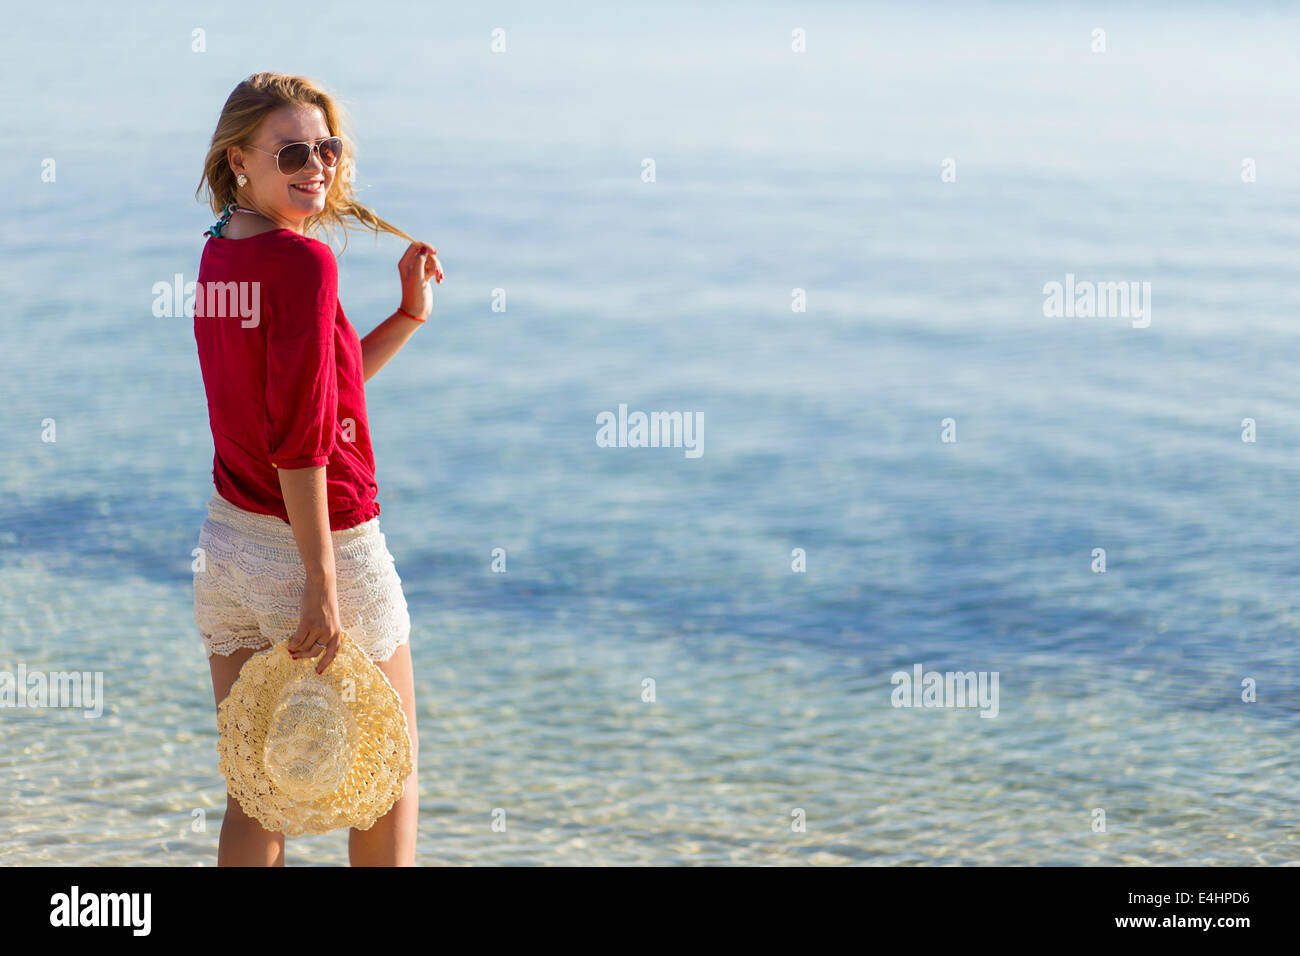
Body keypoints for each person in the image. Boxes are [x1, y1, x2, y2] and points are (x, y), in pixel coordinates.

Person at [191, 72, 442, 866]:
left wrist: (405, 318)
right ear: (240, 160)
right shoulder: (301, 264)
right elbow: (300, 442)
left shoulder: (221, 251)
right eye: (292, 151)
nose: (317, 165)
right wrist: (322, 583)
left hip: (228, 550)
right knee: (386, 782)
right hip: (321, 548)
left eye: (326, 148)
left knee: (258, 791)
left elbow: (309, 396)